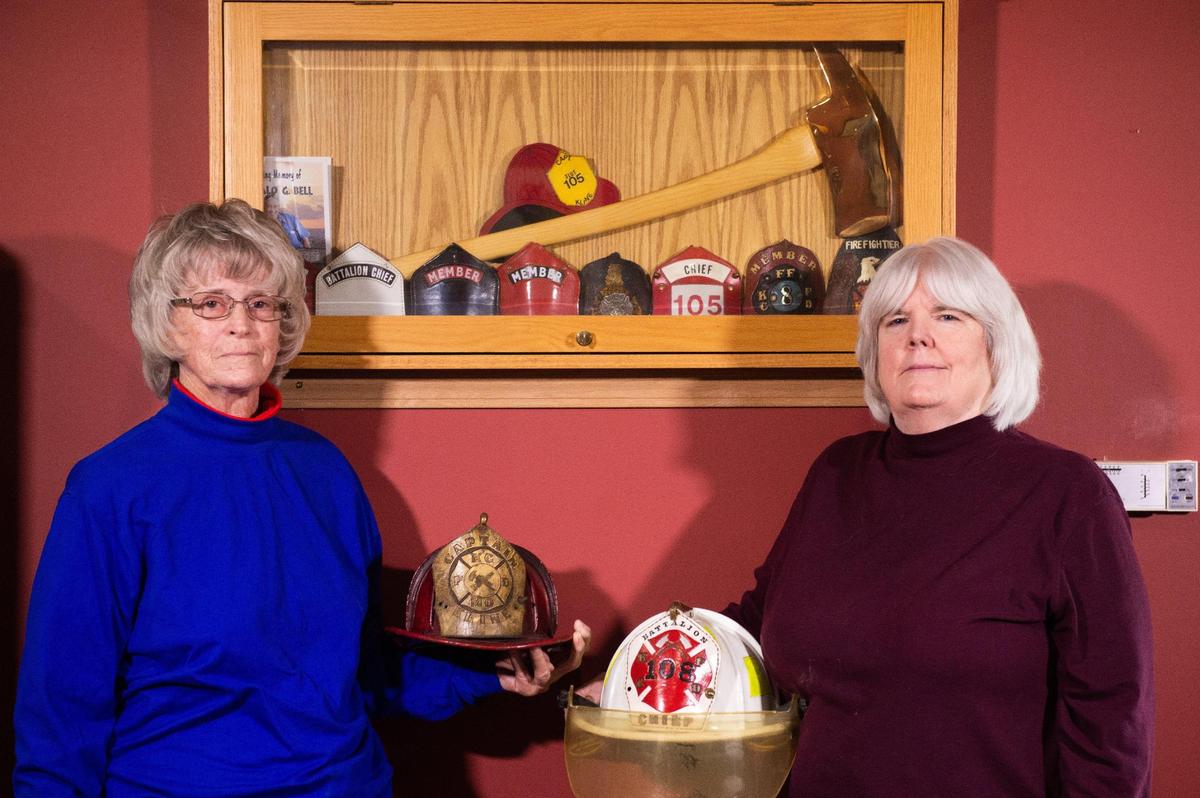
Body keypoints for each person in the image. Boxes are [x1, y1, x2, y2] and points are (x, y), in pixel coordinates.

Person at [14, 199, 590, 796]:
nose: (240, 322)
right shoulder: (109, 489)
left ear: (282, 323)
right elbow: (60, 717)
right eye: (211, 303)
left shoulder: (325, 473)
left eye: (261, 303)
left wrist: (492, 674)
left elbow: (362, 676)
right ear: (168, 324)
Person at [723, 237, 1153, 795]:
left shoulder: (1066, 494)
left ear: (997, 348)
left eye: (947, 315)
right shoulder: (836, 473)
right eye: (896, 320)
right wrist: (627, 673)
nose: (917, 335)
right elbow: (755, 623)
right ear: (876, 353)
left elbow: (1114, 715)